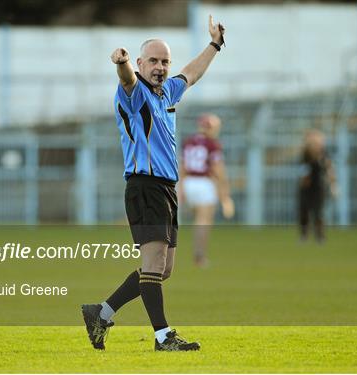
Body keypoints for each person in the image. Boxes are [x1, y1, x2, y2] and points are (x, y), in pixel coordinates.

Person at [81, 15, 226, 352]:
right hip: (145, 187)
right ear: (143, 63)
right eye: (154, 61)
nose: (160, 67)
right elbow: (128, 81)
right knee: (154, 265)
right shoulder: (134, 93)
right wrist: (123, 62)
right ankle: (163, 337)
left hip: (165, 190)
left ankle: (100, 313)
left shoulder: (166, 92)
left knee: (163, 269)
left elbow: (191, 74)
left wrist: (215, 44)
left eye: (165, 61)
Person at [180, 113, 234, 267]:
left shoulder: (189, 141)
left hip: (189, 182)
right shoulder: (212, 144)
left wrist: (181, 188)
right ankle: (200, 256)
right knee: (203, 222)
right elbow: (218, 170)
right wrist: (225, 194)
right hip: (204, 183)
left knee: (196, 220)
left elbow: (183, 167)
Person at [298, 129, 337, 243]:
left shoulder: (324, 155)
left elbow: (330, 170)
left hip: (319, 187)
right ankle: (304, 235)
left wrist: (333, 185)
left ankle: (320, 236)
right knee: (303, 211)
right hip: (305, 188)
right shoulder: (305, 155)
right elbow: (302, 171)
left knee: (318, 212)